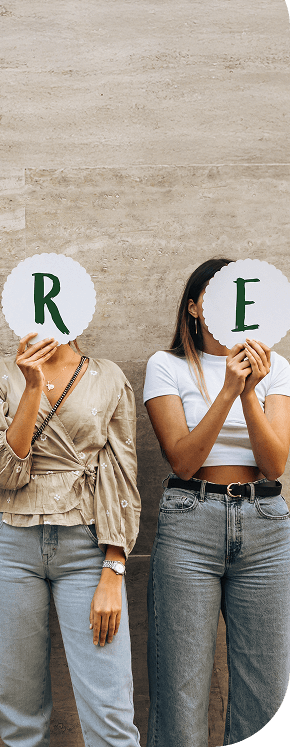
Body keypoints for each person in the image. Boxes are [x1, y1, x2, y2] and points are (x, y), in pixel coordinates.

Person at [143, 258, 290, 747]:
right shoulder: (165, 366)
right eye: (214, 293)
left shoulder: (277, 368)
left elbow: (274, 465)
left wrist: (250, 392)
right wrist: (228, 390)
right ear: (193, 308)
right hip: (191, 520)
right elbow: (182, 461)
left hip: (265, 522)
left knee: (266, 694)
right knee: (181, 688)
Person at [0, 329, 142, 747]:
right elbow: (0, 472)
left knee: (111, 714)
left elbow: (122, 476)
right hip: (8, 542)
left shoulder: (108, 376)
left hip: (87, 544)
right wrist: (31, 388)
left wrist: (113, 569)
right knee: (20, 713)